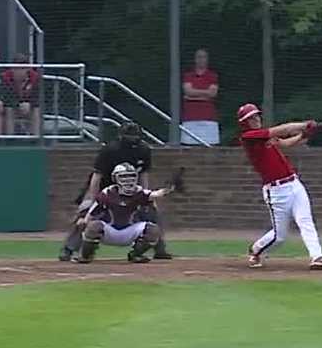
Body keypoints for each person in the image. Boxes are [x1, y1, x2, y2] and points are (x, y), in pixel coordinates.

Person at [237, 103, 322, 271]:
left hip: (294, 183)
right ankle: (256, 250)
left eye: (256, 116)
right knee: (279, 237)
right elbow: (282, 129)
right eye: (251, 118)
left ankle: (317, 257)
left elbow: (285, 143)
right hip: (276, 191)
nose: (256, 119)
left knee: (305, 221)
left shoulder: (265, 137)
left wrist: (304, 134)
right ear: (244, 122)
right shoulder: (249, 137)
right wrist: (304, 124)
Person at [60, 121, 174, 261]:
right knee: (86, 215)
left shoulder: (144, 149)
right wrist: (91, 197)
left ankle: (159, 249)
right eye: (129, 136)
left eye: (135, 136)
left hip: (130, 188)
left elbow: (143, 174)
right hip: (105, 185)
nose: (132, 139)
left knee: (152, 214)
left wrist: (145, 195)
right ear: (121, 136)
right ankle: (69, 249)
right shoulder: (110, 150)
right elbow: (97, 175)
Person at [72, 163, 172, 264]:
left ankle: (136, 254)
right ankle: (85, 256)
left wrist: (167, 189)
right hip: (109, 231)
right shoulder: (107, 193)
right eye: (124, 176)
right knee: (94, 226)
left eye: (131, 176)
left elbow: (155, 194)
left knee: (153, 230)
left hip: (130, 231)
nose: (128, 180)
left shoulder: (139, 192)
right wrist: (84, 221)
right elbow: (93, 211)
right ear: (115, 178)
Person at [180, 48, 219, 146]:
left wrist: (192, 96)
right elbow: (188, 91)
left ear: (207, 59)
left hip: (208, 117)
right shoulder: (188, 75)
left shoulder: (212, 75)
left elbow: (213, 93)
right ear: (195, 59)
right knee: (189, 147)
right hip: (190, 117)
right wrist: (205, 95)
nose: (201, 59)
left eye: (204, 57)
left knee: (209, 146)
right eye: (199, 57)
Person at [1, 53, 41, 137]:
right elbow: (6, 96)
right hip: (12, 106)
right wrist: (18, 104)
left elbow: (39, 96)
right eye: (16, 68)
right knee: (9, 110)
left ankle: (35, 138)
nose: (19, 71)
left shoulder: (35, 77)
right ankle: (10, 138)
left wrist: (30, 104)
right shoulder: (5, 78)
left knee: (36, 111)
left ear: (28, 69)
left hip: (29, 106)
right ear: (12, 68)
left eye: (22, 68)